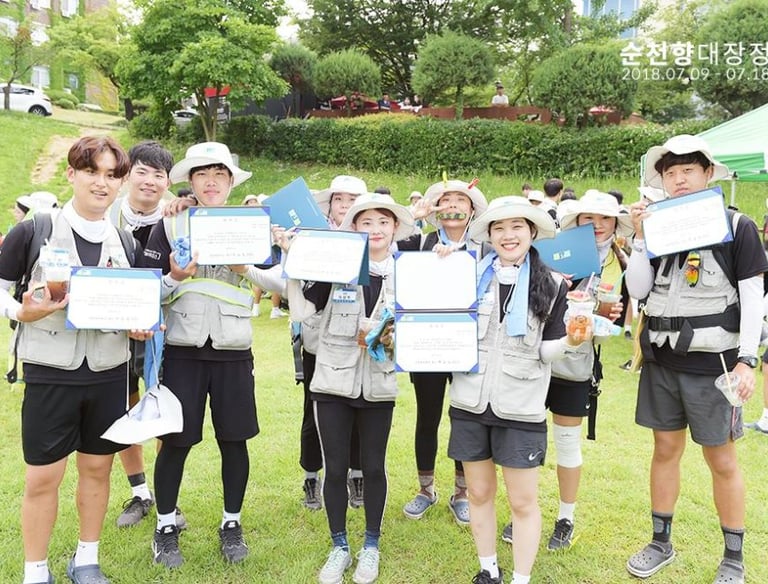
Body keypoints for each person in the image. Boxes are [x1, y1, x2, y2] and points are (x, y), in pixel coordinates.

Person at [0, 136, 147, 584]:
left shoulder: (125, 241)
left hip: (108, 372)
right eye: (91, 171)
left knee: (98, 468)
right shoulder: (35, 230)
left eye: (112, 175)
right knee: (43, 477)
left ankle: (86, 560)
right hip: (50, 371)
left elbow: (131, 304)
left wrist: (138, 325)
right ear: (71, 174)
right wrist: (20, 312)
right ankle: (35, 571)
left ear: (120, 183)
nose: (101, 183)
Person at [625, 134, 767, 584]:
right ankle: (660, 542)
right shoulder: (657, 226)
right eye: (671, 173)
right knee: (664, 450)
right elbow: (638, 289)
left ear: (708, 173)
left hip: (716, 365)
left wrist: (747, 359)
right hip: (663, 361)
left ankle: (733, 558)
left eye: (688, 170)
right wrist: (640, 239)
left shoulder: (738, 226)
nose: (679, 179)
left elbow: (753, 296)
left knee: (721, 460)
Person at [143, 142, 284, 569]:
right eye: (202, 174)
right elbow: (145, 291)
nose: (210, 181)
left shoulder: (253, 226)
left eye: (219, 174)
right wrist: (173, 277)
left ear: (230, 181)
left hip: (233, 350)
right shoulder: (169, 224)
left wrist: (246, 270)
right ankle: (165, 527)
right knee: (175, 442)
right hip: (182, 351)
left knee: (234, 440)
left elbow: (282, 284)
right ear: (190, 181)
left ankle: (231, 523)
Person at [446, 196, 592, 584]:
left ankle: (520, 578)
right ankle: (488, 569)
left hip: (521, 407)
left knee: (523, 501)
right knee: (478, 493)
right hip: (469, 402)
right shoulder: (468, 276)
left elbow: (546, 351)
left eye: (517, 227)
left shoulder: (552, 284)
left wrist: (571, 342)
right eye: (499, 228)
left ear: (531, 233)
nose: (508, 235)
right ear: (490, 234)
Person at [279, 192, 413, 584]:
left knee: (373, 466)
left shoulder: (408, 273)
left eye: (383, 222)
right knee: (335, 468)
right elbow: (303, 310)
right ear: (353, 227)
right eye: (366, 222)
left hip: (379, 384)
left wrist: (391, 337)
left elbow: (424, 329)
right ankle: (339, 546)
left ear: (395, 227)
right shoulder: (335, 264)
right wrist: (291, 262)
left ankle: (371, 546)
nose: (375, 230)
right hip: (332, 382)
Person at [509, 190, 632, 550]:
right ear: (576, 221)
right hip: (534, 358)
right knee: (525, 442)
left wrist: (602, 316)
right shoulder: (550, 251)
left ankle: (566, 518)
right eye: (588, 218)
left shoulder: (617, 264)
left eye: (605, 219)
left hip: (575, 365)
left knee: (566, 444)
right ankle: (523, 512)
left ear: (615, 224)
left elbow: (608, 327)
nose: (597, 225)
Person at [108, 140, 189, 530]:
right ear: (127, 175)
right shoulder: (107, 214)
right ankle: (140, 492)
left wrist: (188, 202)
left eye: (159, 175)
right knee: (123, 406)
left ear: (167, 182)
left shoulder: (177, 218)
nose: (149, 181)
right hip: (111, 333)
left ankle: (166, 495)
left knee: (161, 408)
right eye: (142, 171)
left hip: (164, 330)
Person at [398, 179, 489, 526]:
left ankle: (461, 492)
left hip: (469, 344)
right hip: (427, 343)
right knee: (428, 416)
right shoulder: (419, 242)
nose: (452, 205)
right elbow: (382, 247)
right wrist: (415, 216)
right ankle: (426, 489)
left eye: (460, 200)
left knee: (465, 417)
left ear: (472, 209)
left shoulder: (486, 247)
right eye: (445, 199)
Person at [297, 175, 369, 511]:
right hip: (318, 339)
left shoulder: (373, 238)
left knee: (358, 408)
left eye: (353, 200)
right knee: (313, 410)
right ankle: (311, 476)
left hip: (359, 341)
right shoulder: (312, 238)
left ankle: (358, 474)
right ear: (330, 204)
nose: (345, 205)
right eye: (340, 199)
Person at [242, 194, 288, 319]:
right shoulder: (261, 217)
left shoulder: (244, 218)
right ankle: (274, 309)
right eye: (251, 202)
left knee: (258, 278)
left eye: (254, 202)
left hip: (256, 252)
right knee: (275, 277)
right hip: (265, 252)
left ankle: (256, 308)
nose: (253, 204)